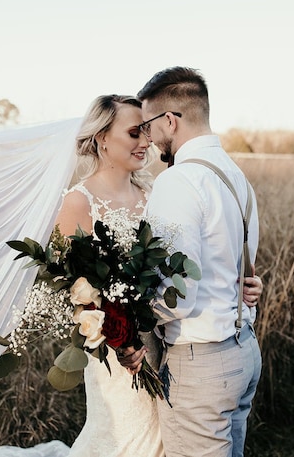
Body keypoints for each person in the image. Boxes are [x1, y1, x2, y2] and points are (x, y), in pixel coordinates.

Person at [0, 93, 262, 457]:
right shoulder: (78, 202)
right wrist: (119, 339)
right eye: (134, 133)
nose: (146, 142)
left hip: (163, 347)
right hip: (117, 356)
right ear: (102, 138)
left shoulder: (155, 192)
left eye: (146, 131)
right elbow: (73, 290)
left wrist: (242, 285)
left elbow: (187, 263)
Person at [119, 67, 263, 457]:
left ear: (170, 120)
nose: (147, 139)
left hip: (200, 363)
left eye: (148, 126)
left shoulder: (179, 181)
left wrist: (122, 318)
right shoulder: (236, 176)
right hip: (244, 350)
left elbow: (174, 297)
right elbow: (244, 269)